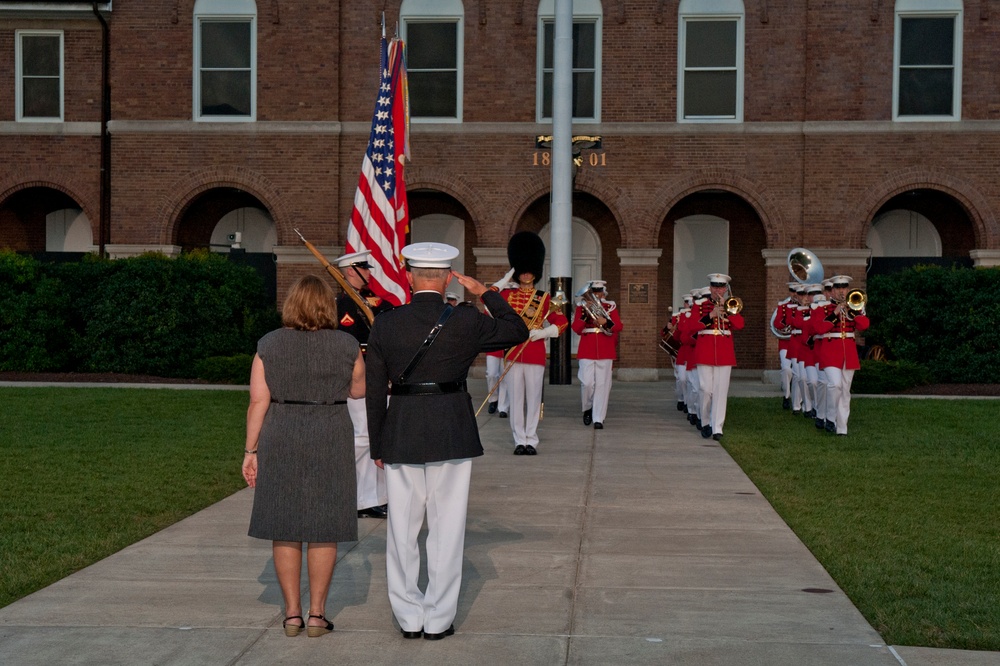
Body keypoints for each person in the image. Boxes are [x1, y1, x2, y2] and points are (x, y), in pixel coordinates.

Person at [365, 242, 529, 640]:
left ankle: (408, 617)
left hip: (401, 428)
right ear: (447, 277)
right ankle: (438, 619)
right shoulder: (466, 319)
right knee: (447, 528)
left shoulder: (386, 323)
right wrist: (485, 292)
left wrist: (377, 443)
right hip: (451, 428)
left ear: (409, 275)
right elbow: (518, 330)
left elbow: (373, 390)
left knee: (402, 530)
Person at [242, 274, 366, 638]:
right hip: (330, 429)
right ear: (327, 306)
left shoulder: (269, 344)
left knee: (285, 523)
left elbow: (257, 400)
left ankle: (292, 614)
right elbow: (359, 391)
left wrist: (251, 450)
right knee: (324, 525)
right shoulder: (347, 345)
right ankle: (317, 615)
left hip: (281, 431)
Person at [332, 250, 394, 520]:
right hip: (356, 377)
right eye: (363, 268)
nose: (368, 272)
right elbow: (343, 343)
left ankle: (378, 496)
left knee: (377, 437)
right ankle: (362, 499)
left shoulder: (376, 303)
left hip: (380, 375)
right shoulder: (339, 305)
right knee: (363, 438)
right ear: (349, 272)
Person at [499, 231, 568, 455]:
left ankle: (531, 439)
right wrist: (503, 280)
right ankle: (519, 439)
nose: (526, 274)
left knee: (534, 398)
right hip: (513, 352)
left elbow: (562, 322)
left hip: (535, 352)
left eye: (530, 270)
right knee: (516, 399)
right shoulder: (507, 296)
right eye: (522, 269)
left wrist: (544, 332)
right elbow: (487, 300)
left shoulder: (544, 297)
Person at [679, 274, 744, 441]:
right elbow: (692, 326)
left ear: (725, 289)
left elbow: (740, 325)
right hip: (705, 349)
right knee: (705, 389)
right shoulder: (700, 305)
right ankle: (705, 420)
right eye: (715, 287)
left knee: (721, 391)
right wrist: (710, 316)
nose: (718, 290)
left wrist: (728, 312)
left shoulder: (731, 305)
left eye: (721, 287)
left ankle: (717, 428)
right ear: (710, 288)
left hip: (725, 351)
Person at [813, 275, 870, 435]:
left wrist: (855, 311)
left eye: (844, 288)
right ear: (832, 291)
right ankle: (830, 417)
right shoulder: (822, 309)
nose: (841, 291)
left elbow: (864, 325)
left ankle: (842, 428)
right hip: (830, 351)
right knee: (835, 385)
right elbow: (819, 329)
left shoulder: (854, 306)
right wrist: (835, 313)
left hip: (849, 352)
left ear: (848, 290)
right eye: (838, 288)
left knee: (845, 390)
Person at [571, 280, 623, 429]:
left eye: (598, 292)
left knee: (602, 385)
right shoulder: (582, 308)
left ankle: (598, 418)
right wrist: (585, 316)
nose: (596, 295)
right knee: (587, 383)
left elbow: (618, 326)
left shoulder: (609, 307)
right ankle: (587, 408)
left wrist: (605, 321)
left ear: (603, 293)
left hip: (605, 349)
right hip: (587, 348)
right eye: (593, 292)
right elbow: (576, 328)